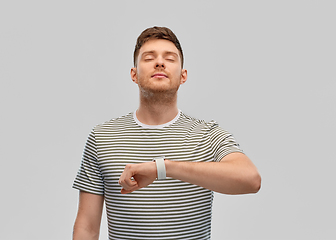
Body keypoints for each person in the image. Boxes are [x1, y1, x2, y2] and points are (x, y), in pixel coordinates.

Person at [72, 26, 261, 240]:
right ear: (134, 74)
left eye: (170, 58)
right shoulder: (102, 137)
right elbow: (87, 227)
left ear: (183, 75)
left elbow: (251, 179)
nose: (159, 62)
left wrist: (162, 168)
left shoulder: (207, 134)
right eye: (149, 58)